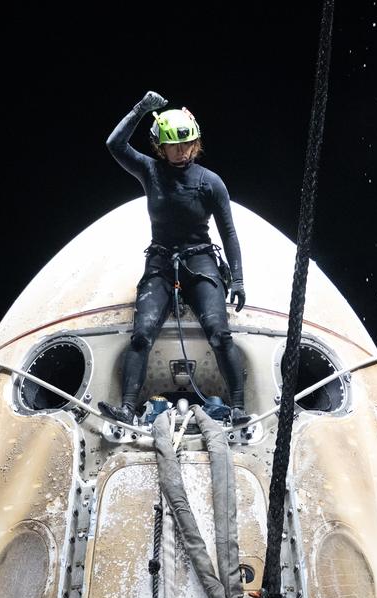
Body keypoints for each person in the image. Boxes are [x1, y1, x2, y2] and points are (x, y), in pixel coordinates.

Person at [99, 90, 248, 425]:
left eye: (187, 145)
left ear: (195, 143)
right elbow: (115, 145)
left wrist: (237, 278)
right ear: (160, 146)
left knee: (219, 333)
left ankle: (239, 406)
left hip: (200, 260)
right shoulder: (150, 171)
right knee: (141, 334)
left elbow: (229, 233)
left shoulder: (210, 183)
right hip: (161, 261)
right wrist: (140, 109)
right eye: (174, 146)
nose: (182, 152)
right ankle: (126, 407)